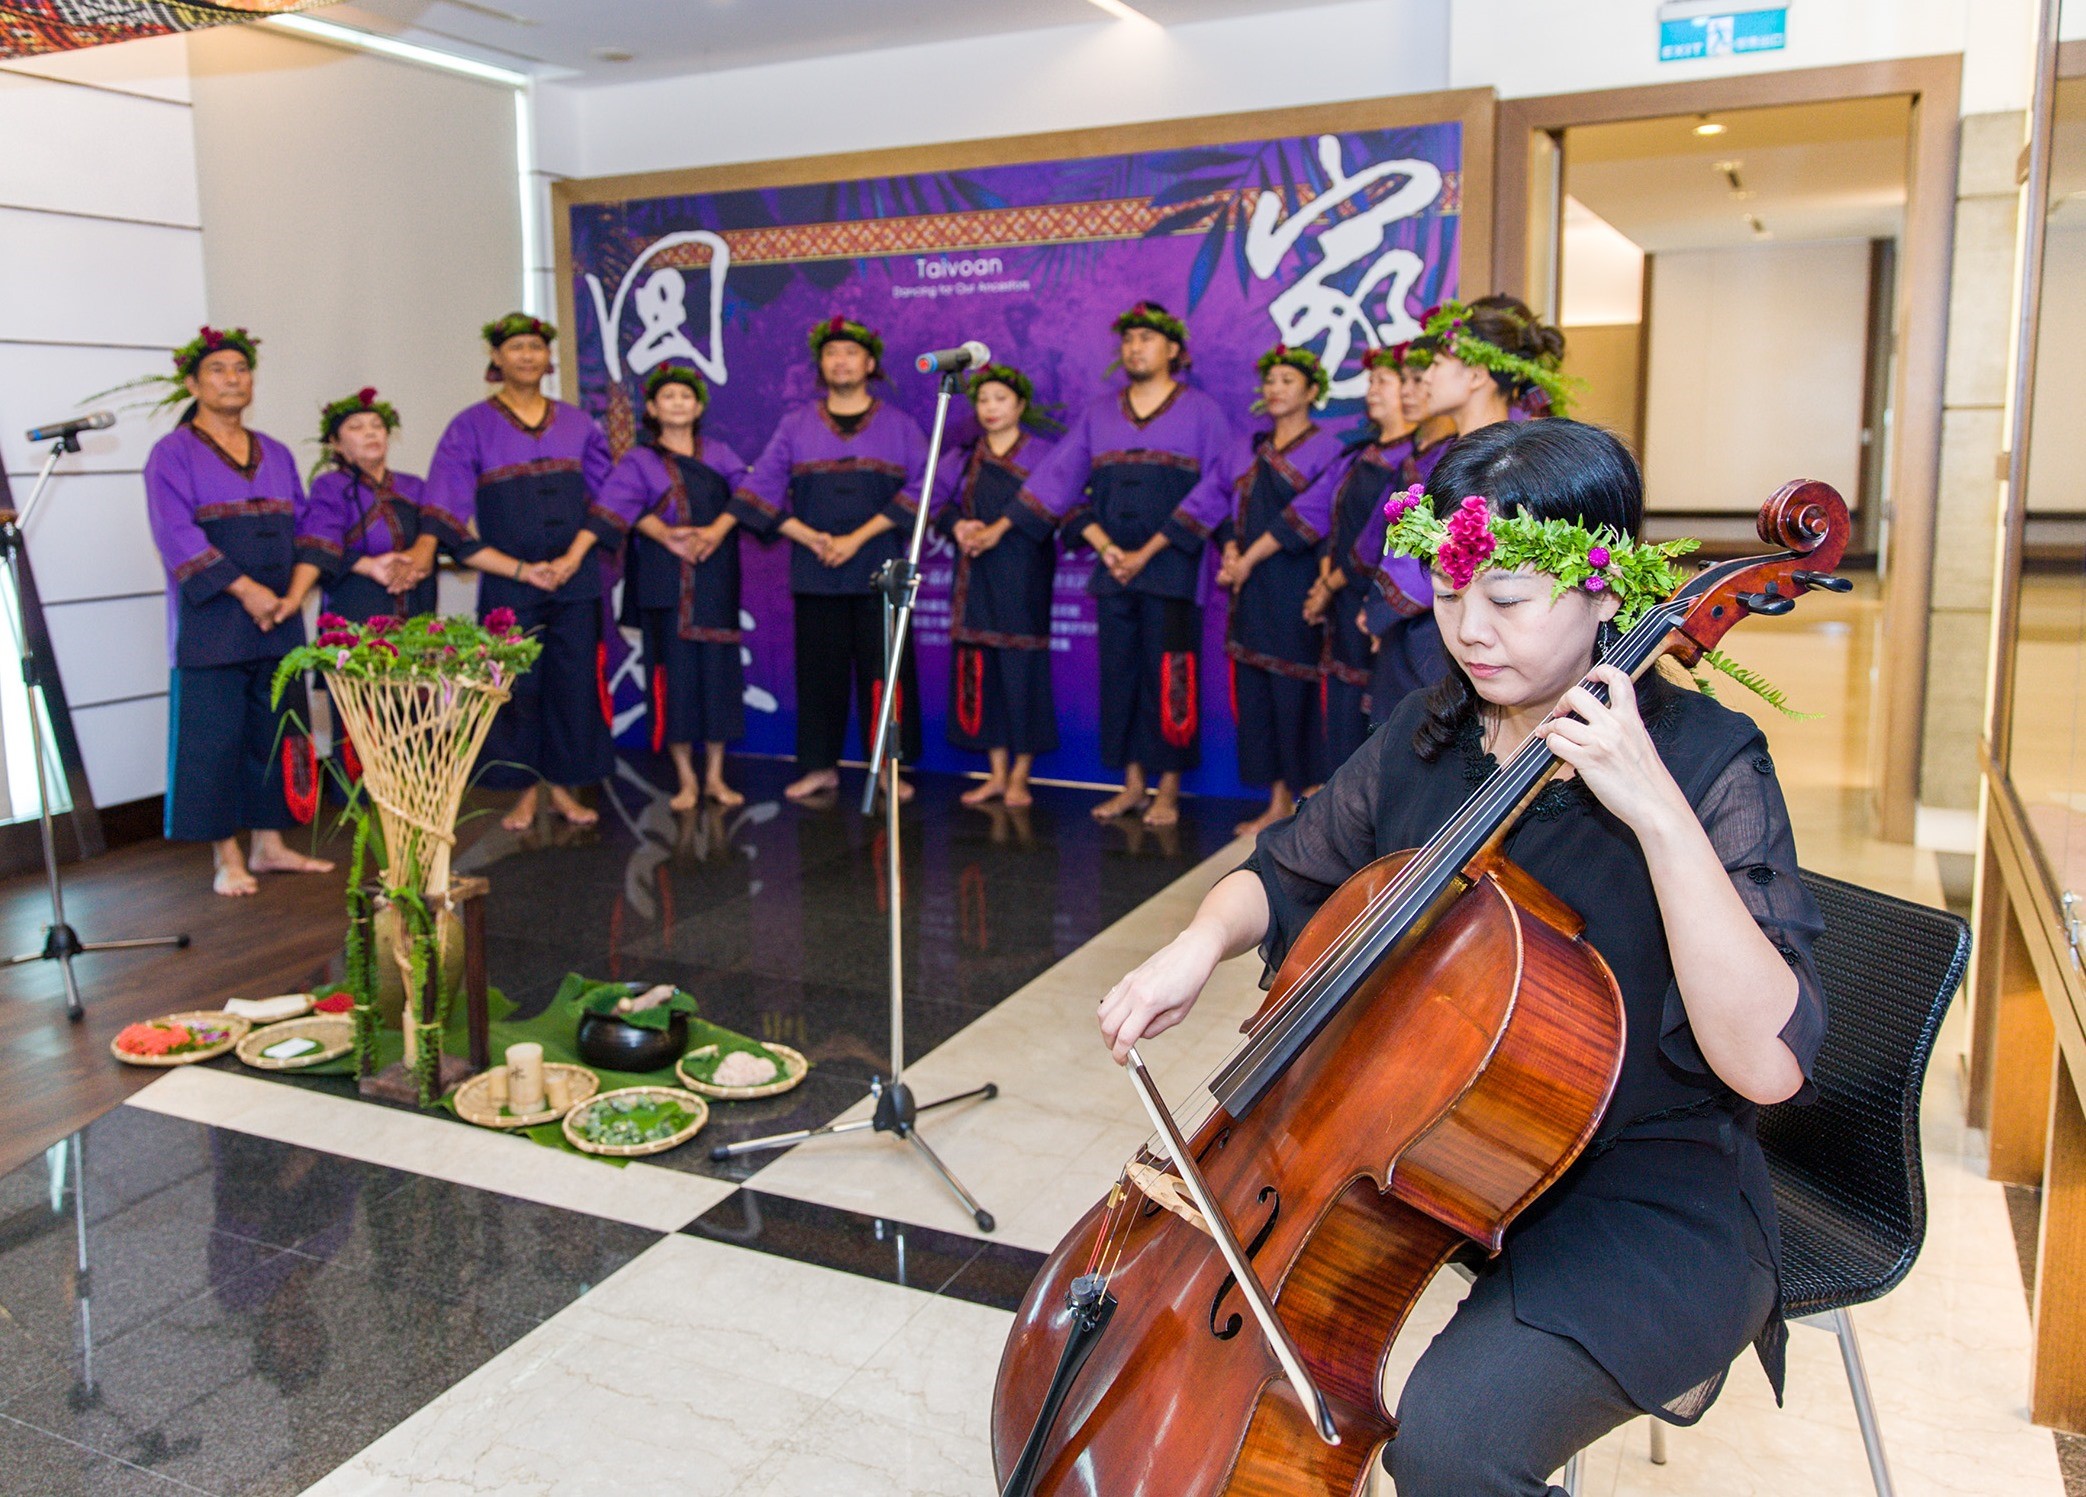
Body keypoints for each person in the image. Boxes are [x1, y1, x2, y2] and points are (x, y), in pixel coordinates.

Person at [1096, 418, 1825, 1497]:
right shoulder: (1431, 729)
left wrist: (1657, 813)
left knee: (1450, 1449)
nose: (1468, 632)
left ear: (1600, 589)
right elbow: (1291, 870)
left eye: (1506, 602)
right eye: (1445, 591)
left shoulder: (1707, 760)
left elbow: (1766, 1064)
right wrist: (1194, 947)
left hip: (1644, 1186)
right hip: (1432, 1155)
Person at [1011, 301, 1233, 828]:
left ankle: (1169, 791)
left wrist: (1148, 550)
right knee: (1121, 677)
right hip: (1113, 570)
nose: (1135, 348)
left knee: (1170, 679)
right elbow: (1060, 480)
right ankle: (1133, 785)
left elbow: (1219, 488)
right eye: (1128, 339)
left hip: (1172, 570)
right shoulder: (1099, 412)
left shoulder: (1202, 411)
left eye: (1147, 339)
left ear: (1173, 350)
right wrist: (1105, 545)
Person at [141, 326, 334, 896]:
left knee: (276, 731)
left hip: (280, 616)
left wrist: (295, 593)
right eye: (219, 370)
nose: (232, 379)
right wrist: (246, 589)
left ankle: (270, 845)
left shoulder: (273, 450)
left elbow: (305, 524)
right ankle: (227, 857)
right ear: (192, 383)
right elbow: (174, 534)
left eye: (241, 369)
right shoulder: (170, 454)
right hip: (213, 622)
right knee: (213, 739)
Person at [424, 313, 618, 833]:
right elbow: (446, 510)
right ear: (496, 359)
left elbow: (609, 501)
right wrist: (520, 569)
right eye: (516, 348)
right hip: (511, 582)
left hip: (573, 578)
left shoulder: (578, 423)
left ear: (548, 359)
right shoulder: (469, 426)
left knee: (573, 683)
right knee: (517, 688)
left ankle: (564, 789)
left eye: (535, 347)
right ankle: (524, 794)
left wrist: (572, 559)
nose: (527, 356)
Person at [728, 316, 927, 804]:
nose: (841, 361)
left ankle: (889, 767)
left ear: (870, 363)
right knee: (819, 677)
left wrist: (857, 537)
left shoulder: (899, 425)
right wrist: (810, 537)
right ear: (821, 364)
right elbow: (756, 491)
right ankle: (820, 767)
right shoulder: (795, 425)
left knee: (888, 673)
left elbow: (927, 489)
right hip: (816, 573)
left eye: (851, 353)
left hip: (881, 573)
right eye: (832, 353)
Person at [598, 364, 750, 812]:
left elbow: (748, 497)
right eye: (669, 397)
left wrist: (714, 533)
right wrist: (666, 536)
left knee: (718, 680)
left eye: (686, 396)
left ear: (698, 406)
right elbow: (618, 506)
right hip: (663, 579)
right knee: (673, 681)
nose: (678, 403)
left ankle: (716, 777)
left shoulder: (719, 453)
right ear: (652, 408)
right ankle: (685, 779)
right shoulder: (638, 460)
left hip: (714, 576)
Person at [1207, 345, 1344, 837]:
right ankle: (1276, 800)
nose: (1276, 389)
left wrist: (1247, 558)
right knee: (1257, 696)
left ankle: (1303, 800)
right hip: (1249, 589)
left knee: (1293, 696)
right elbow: (1220, 504)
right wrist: (1228, 551)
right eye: (1271, 380)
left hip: (1293, 584)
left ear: (1312, 391)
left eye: (1288, 380)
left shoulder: (1328, 447)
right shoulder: (1247, 445)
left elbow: (1309, 515)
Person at [930, 363, 1060, 809]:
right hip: (976, 579)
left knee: (1023, 679)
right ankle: (996, 774)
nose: (990, 409)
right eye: (983, 400)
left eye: (1000, 399)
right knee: (982, 680)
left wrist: (998, 530)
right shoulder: (965, 456)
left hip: (1023, 576)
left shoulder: (1043, 455)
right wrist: (959, 526)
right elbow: (935, 502)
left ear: (1020, 405)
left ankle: (1021, 777)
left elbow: (1053, 504)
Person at [1301, 344, 1429, 771]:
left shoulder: (1422, 457)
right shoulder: (1360, 454)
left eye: (1384, 382)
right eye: (1370, 382)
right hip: (1342, 592)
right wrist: (1326, 580)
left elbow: (1381, 536)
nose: (1372, 390)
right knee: (1339, 698)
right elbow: (1329, 516)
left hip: (1379, 596)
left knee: (1374, 707)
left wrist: (1336, 583)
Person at [287, 388, 438, 625]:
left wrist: (416, 558)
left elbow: (444, 531)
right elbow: (318, 543)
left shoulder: (415, 486)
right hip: (354, 609)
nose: (370, 433)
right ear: (335, 443)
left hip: (416, 608)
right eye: (356, 427)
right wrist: (369, 566)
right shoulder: (330, 486)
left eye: (377, 426)